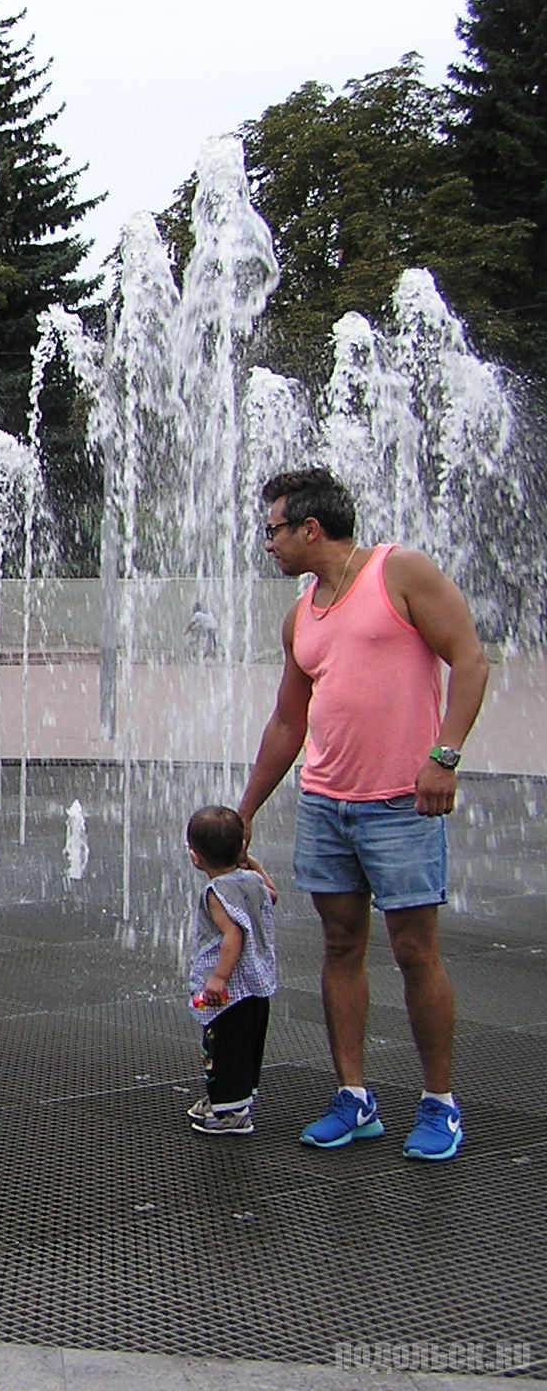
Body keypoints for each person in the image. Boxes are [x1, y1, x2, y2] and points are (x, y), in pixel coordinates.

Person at [236, 467, 488, 1161]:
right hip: (327, 803)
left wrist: (445, 755)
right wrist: (248, 807)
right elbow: (288, 722)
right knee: (341, 946)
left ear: (310, 529)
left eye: (273, 530)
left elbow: (469, 659)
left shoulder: (399, 572)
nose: (268, 545)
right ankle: (355, 1097)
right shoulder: (302, 614)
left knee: (414, 949)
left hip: (402, 804)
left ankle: (439, 1103)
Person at [183, 805, 277, 1137]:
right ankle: (232, 1102)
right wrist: (255, 866)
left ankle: (230, 1114)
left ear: (196, 858)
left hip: (231, 990)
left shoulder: (216, 893)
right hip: (258, 984)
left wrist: (218, 978)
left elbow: (232, 935)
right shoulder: (251, 880)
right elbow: (273, 896)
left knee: (223, 1048)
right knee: (247, 1046)